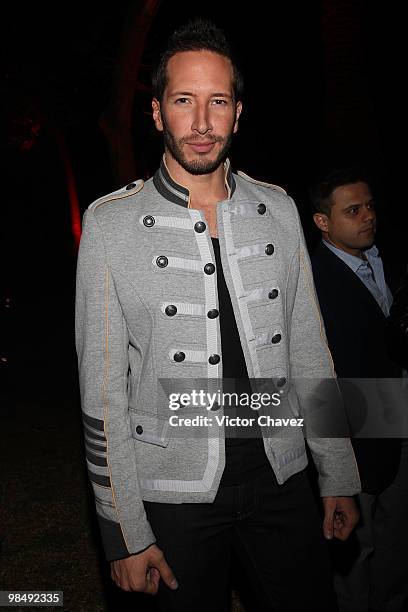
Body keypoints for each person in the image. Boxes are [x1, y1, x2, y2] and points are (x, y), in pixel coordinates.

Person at [75, 19, 360, 612]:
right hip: (171, 490)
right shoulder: (111, 223)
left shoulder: (277, 209)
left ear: (237, 112)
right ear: (157, 113)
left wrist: (337, 472)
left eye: (218, 102)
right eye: (184, 101)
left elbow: (310, 353)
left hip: (280, 477)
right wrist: (123, 529)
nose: (202, 123)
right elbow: (101, 394)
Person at [311, 168, 408, 612]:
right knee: (356, 540)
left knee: (397, 537)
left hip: (398, 412)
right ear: (323, 222)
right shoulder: (314, 280)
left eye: (370, 206)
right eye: (353, 210)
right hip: (354, 424)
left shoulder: (384, 258)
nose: (368, 216)